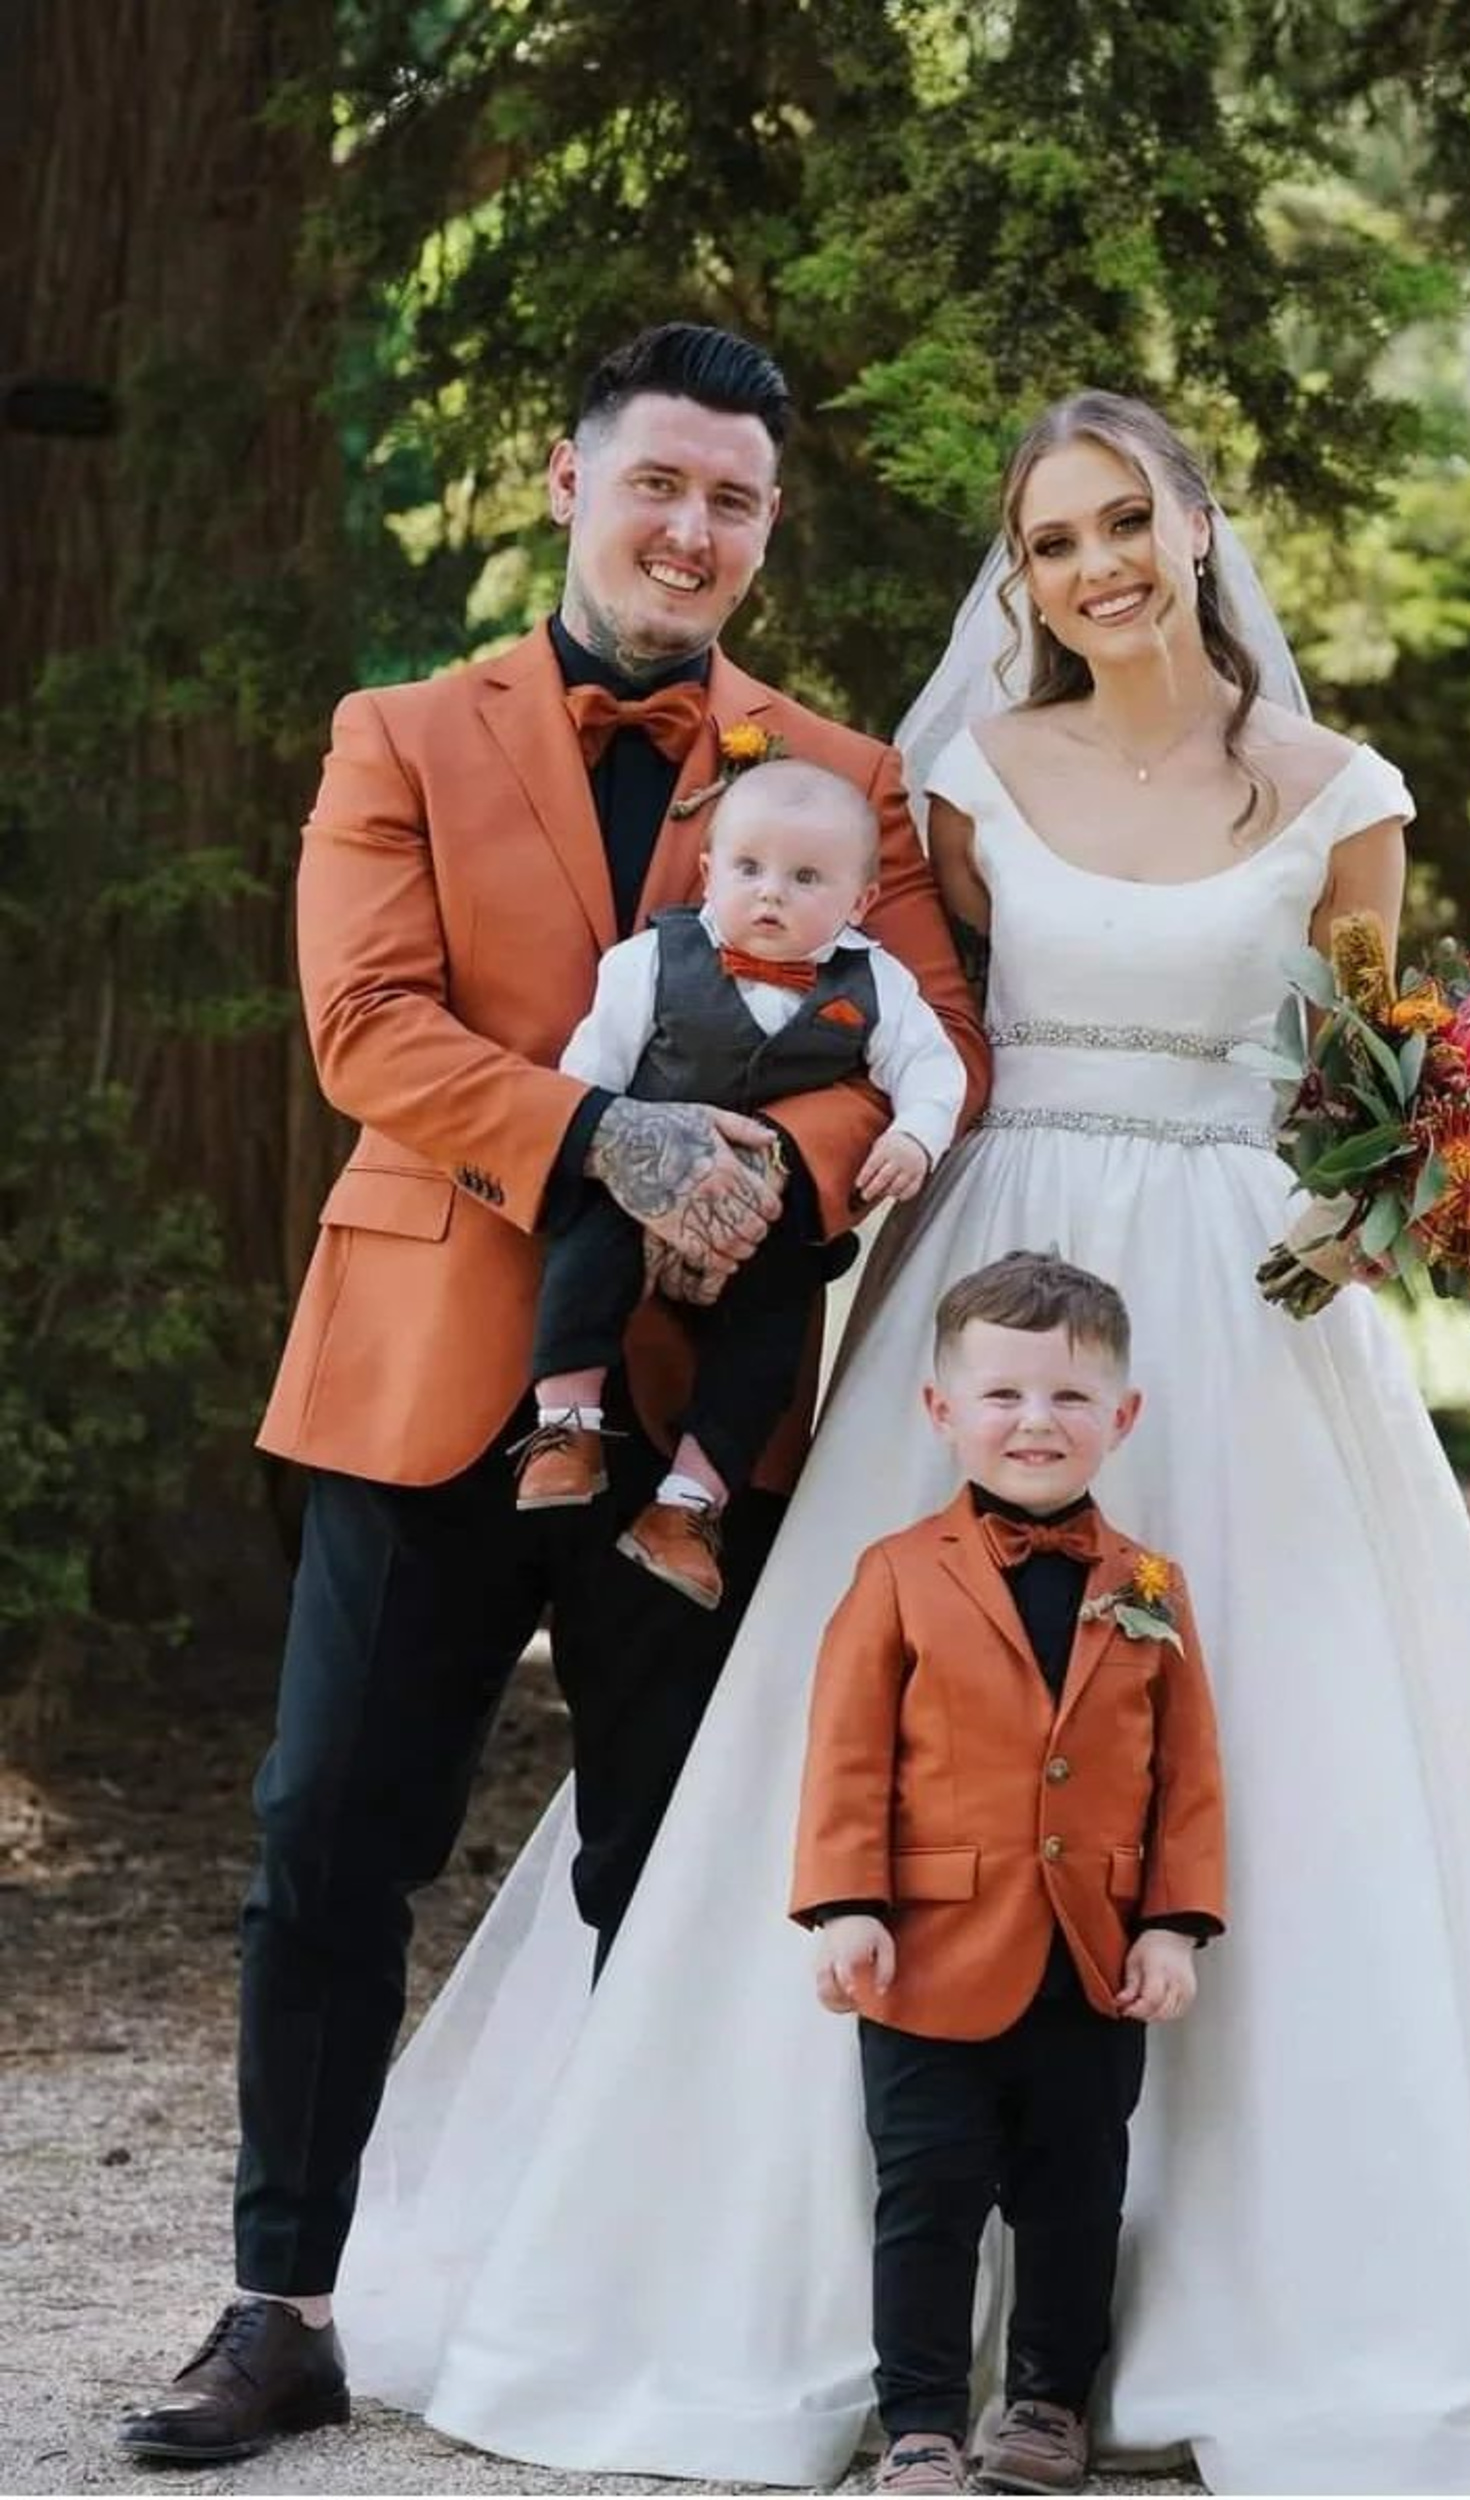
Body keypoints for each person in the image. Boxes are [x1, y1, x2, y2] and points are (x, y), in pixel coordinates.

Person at [321, 389, 1470, 2494]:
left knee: (1293, 1738)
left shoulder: (1343, 792)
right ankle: (863, 2304)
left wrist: (1402, 1197)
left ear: (1193, 523)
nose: (1088, 572)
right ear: (1023, 580)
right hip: (998, 1277)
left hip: (1242, 1311)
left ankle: (1252, 2285)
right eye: (1049, 544)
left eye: (1118, 522)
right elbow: (926, 1037)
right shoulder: (967, 778)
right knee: (904, 1702)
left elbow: (1358, 1069)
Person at [115, 321, 986, 2466]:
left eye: (735, 502)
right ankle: (283, 2299)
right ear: (567, 480)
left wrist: (765, 1165)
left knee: (672, 1863)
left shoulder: (846, 776)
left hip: (708, 1400)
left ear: (765, 537)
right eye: (659, 483)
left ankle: (639, 2294)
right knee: (328, 1833)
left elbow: (925, 1040)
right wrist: (604, 1140)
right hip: (426, 1369)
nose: (692, 528)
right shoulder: (401, 731)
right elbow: (365, 1026)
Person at [794, 1253, 1226, 2494]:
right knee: (924, 2191)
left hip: (1091, 1962)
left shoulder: (1147, 1586)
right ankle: (921, 2417)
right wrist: (845, 1903)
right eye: (1002, 1396)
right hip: (924, 1956)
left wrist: (1173, 1926)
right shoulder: (894, 1573)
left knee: (1074, 2191)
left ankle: (1045, 2403)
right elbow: (843, 1753)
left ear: (1120, 1416)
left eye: (1069, 1398)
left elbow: (1186, 1773)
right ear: (941, 1410)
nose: (1035, 1422)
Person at [520, 755, 966, 1609]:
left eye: (807, 879)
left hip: (768, 1217)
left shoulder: (877, 983)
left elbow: (934, 1074)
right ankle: (565, 1425)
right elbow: (588, 1078)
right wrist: (624, 1156)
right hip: (638, 1186)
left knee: (774, 1329)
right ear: (708, 872)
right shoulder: (651, 960)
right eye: (749, 869)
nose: (771, 895)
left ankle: (689, 1505)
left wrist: (913, 1136)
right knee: (586, 1255)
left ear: (861, 902)